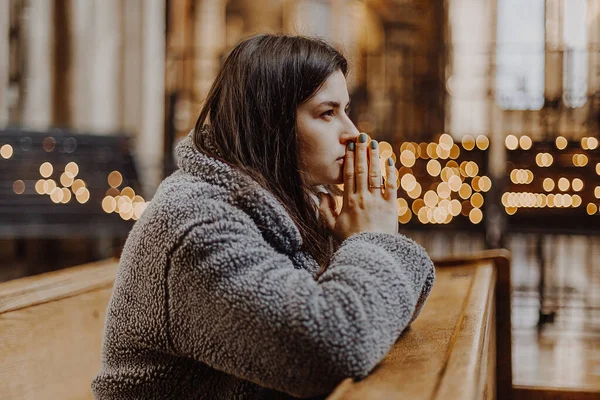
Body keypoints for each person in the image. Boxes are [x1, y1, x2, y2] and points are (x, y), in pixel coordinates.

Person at [92, 34, 435, 400]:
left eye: (346, 110)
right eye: (327, 113)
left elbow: (386, 316)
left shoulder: (284, 203)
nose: (352, 133)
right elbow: (330, 351)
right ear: (270, 122)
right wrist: (373, 241)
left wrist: (357, 243)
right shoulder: (196, 224)